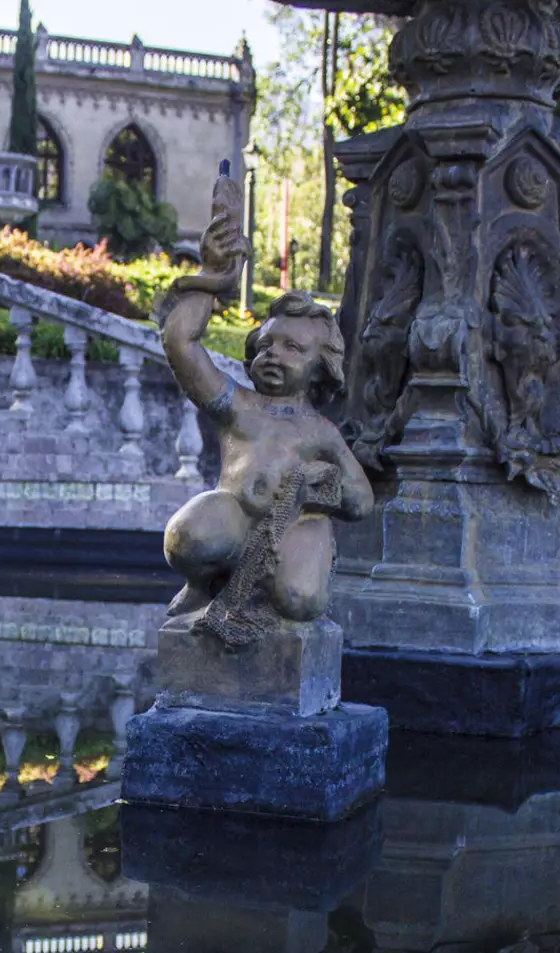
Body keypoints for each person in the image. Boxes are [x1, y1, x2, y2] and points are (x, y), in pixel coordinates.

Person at [157, 170, 376, 638]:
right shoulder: (238, 406)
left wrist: (316, 488)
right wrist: (212, 276)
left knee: (299, 599)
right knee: (188, 535)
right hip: (233, 523)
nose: (274, 355)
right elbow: (180, 344)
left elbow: (361, 500)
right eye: (266, 345)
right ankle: (206, 585)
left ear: (320, 367)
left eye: (293, 348)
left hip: (294, 525)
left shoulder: (319, 431)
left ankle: (289, 576)